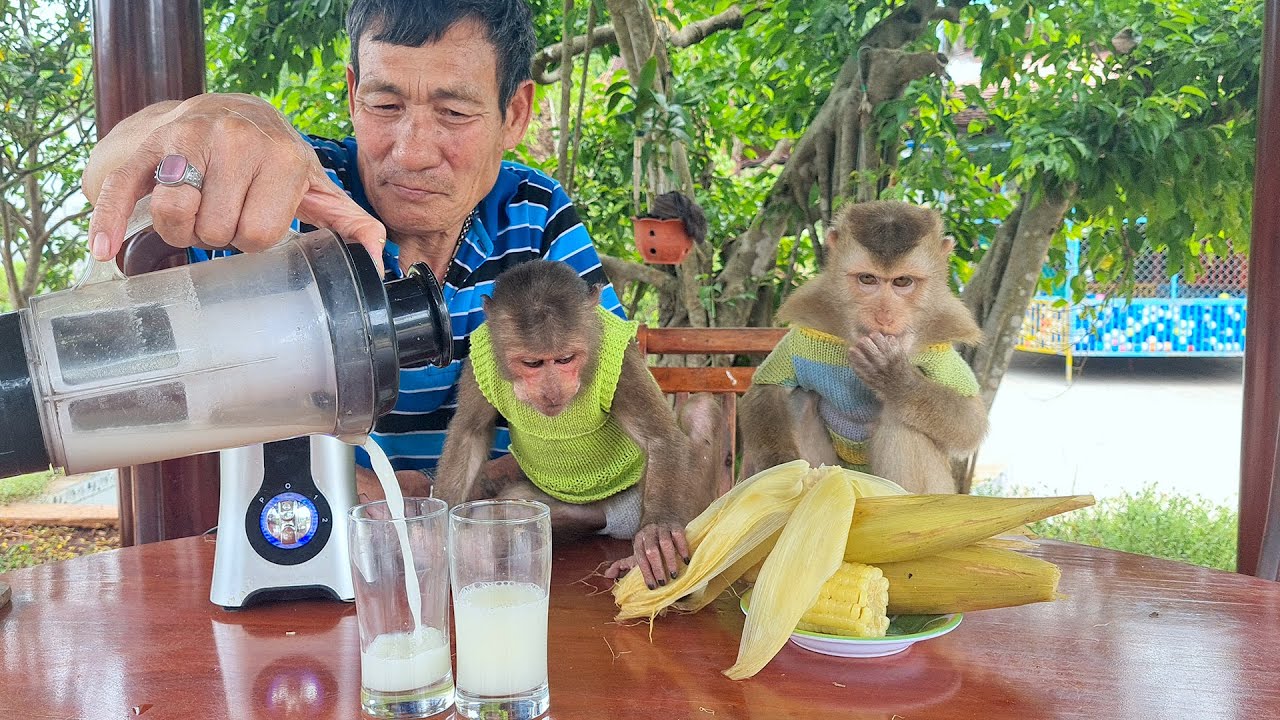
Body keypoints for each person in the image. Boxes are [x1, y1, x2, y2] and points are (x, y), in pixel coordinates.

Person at [81, 0, 624, 504]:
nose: (411, 153)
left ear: (516, 113)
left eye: (454, 114)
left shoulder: (534, 214)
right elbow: (108, 168)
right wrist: (225, 116)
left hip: (487, 549)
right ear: (351, 94)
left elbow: (606, 406)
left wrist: (438, 495)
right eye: (385, 105)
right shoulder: (293, 197)